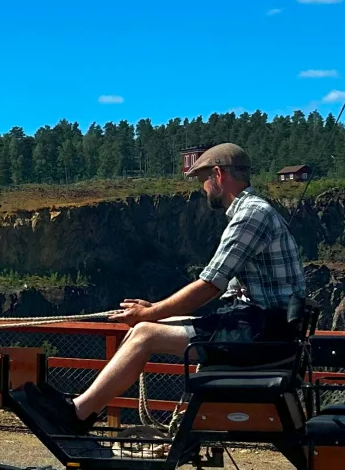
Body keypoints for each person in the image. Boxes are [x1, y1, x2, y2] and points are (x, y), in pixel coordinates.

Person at [28, 143, 306, 434]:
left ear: (219, 175)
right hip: (263, 327)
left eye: (204, 181)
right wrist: (153, 313)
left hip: (262, 333)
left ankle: (77, 414)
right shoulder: (256, 211)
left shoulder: (250, 216)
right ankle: (85, 406)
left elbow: (209, 286)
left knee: (146, 332)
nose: (204, 189)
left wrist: (150, 313)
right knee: (151, 325)